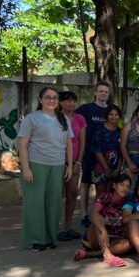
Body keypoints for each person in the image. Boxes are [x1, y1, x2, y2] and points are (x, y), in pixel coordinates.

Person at [18, 87, 74, 251]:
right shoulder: (31, 119)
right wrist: (26, 168)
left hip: (57, 166)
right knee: (35, 202)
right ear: (40, 100)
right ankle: (35, 239)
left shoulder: (63, 118)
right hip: (36, 165)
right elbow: (22, 144)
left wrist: (69, 165)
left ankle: (49, 238)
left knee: (53, 203)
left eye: (55, 97)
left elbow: (69, 143)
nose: (52, 100)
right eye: (48, 97)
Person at [73, 174, 132, 267]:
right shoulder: (106, 197)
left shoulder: (128, 202)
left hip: (113, 239)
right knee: (98, 216)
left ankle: (89, 254)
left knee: (127, 244)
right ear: (114, 186)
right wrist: (103, 230)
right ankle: (107, 256)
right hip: (95, 236)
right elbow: (94, 213)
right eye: (122, 185)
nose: (124, 188)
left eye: (127, 186)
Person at [75, 81, 110, 222]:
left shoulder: (112, 109)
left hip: (106, 154)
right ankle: (84, 215)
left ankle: (101, 213)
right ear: (95, 92)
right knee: (86, 183)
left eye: (106, 92)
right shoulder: (85, 109)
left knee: (103, 186)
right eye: (101, 91)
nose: (103, 94)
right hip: (89, 151)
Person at [58, 91, 86, 242]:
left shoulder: (80, 119)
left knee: (73, 193)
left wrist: (78, 162)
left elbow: (82, 142)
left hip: (74, 163)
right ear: (61, 103)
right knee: (55, 196)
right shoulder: (55, 118)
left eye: (74, 101)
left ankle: (67, 227)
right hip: (56, 163)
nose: (71, 104)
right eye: (68, 101)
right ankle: (52, 227)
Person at [91, 105, 123, 195]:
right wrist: (106, 168)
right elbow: (97, 150)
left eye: (116, 115)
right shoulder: (99, 129)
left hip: (115, 169)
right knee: (100, 196)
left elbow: (122, 152)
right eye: (111, 114)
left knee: (110, 195)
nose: (114, 117)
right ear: (106, 116)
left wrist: (118, 168)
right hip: (100, 168)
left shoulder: (120, 132)